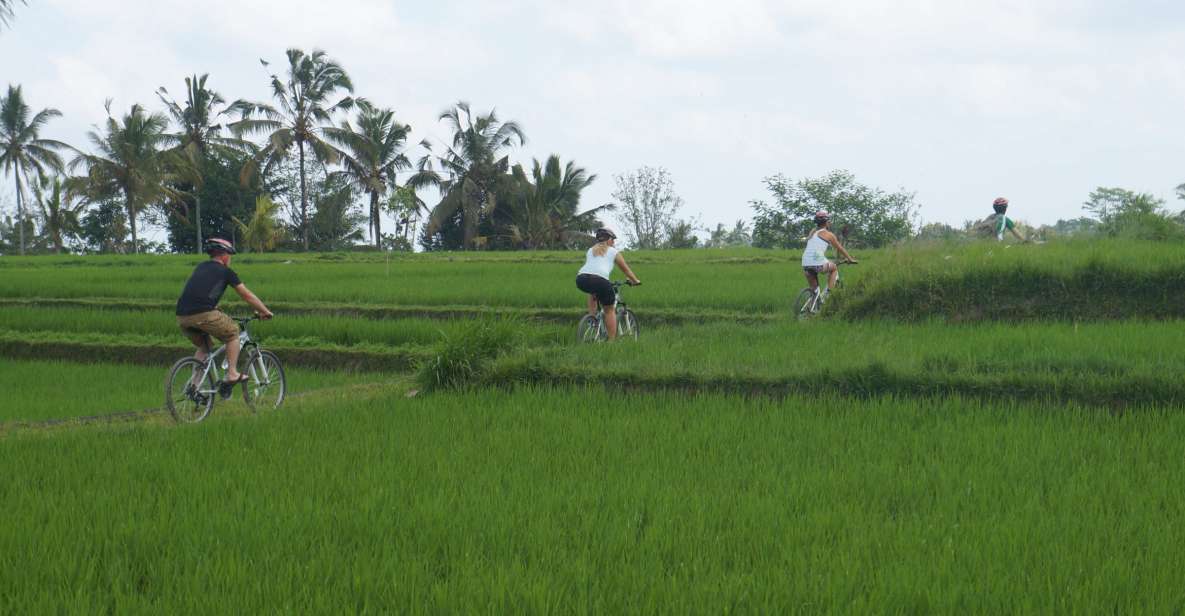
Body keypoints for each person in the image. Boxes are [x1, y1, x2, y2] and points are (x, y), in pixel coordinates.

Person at [176, 238, 273, 384]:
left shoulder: (201, 267)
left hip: (182, 316)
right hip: (203, 314)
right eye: (230, 255)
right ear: (224, 255)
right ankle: (232, 373)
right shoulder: (226, 272)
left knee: (205, 346)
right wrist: (265, 311)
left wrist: (211, 307)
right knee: (233, 332)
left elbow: (198, 291)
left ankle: (194, 385)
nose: (230, 259)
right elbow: (246, 295)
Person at [576, 228, 641, 341]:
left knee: (593, 291)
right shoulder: (613, 252)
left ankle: (592, 320)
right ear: (609, 240)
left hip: (581, 279)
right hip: (600, 280)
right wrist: (635, 281)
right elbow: (627, 271)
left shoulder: (590, 250)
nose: (614, 243)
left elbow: (593, 269)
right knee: (609, 310)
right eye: (613, 240)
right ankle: (611, 341)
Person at [801, 210, 856, 301]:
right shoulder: (829, 235)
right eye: (829, 221)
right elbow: (840, 248)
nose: (829, 223)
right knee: (834, 268)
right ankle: (829, 293)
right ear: (826, 222)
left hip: (805, 262)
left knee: (814, 290)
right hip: (817, 262)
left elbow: (814, 249)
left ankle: (811, 308)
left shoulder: (812, 232)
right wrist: (849, 259)